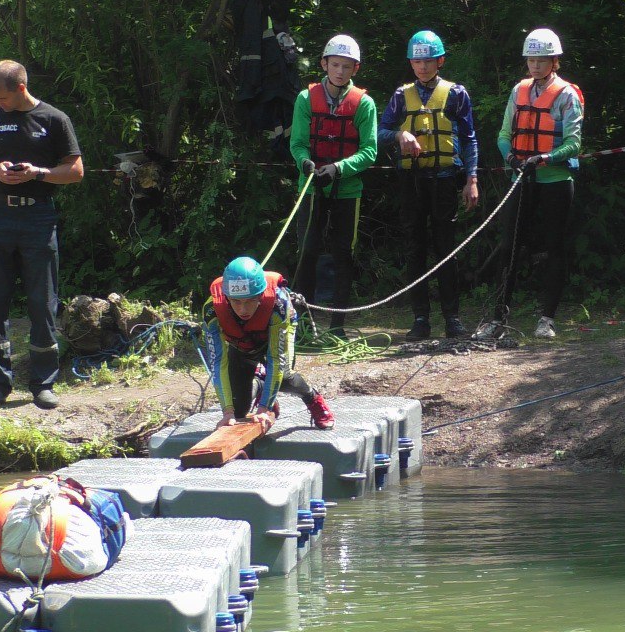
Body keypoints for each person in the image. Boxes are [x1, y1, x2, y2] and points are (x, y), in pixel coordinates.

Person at [0, 60, 84, 409]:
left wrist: (38, 173)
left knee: (41, 301)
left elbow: (75, 171)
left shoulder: (53, 119)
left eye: (2, 97)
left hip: (37, 217)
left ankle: (43, 383)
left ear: (20, 88)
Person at [478, 28, 584, 340]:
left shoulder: (566, 95)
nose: (535, 65)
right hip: (521, 178)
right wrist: (510, 157)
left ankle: (547, 318)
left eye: (541, 59)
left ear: (554, 60)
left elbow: (573, 144)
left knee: (554, 248)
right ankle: (498, 318)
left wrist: (545, 157)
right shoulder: (518, 91)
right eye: (530, 59)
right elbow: (502, 134)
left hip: (555, 180)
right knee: (510, 246)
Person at [377, 30, 480, 340]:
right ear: (411, 62)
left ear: (440, 61)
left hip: (446, 180)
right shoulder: (399, 96)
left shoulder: (456, 94)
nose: (422, 66)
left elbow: (470, 138)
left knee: (446, 248)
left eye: (428, 60)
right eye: (417, 61)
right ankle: (421, 318)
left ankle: (452, 318)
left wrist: (471, 179)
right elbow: (379, 133)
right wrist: (399, 135)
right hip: (412, 181)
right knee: (414, 249)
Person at [288, 34, 378, 339]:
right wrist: (306, 163)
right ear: (325, 64)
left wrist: (339, 168)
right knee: (307, 252)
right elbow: (298, 143)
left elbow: (370, 151)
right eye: (335, 64)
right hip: (311, 188)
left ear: (355, 69)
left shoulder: (364, 104)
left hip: (346, 190)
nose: (340, 71)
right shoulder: (305, 99)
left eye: (347, 66)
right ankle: (303, 324)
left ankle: (338, 326)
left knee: (343, 253)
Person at [202, 256, 335, 430]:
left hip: (275, 334)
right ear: (227, 297)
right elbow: (218, 363)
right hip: (242, 343)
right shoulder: (211, 310)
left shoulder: (278, 304)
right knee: (239, 410)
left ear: (260, 296)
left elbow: (276, 359)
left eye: (250, 301)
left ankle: (312, 399)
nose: (243, 310)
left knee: (285, 377)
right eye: (236, 302)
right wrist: (228, 413)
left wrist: (264, 409)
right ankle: (261, 384)